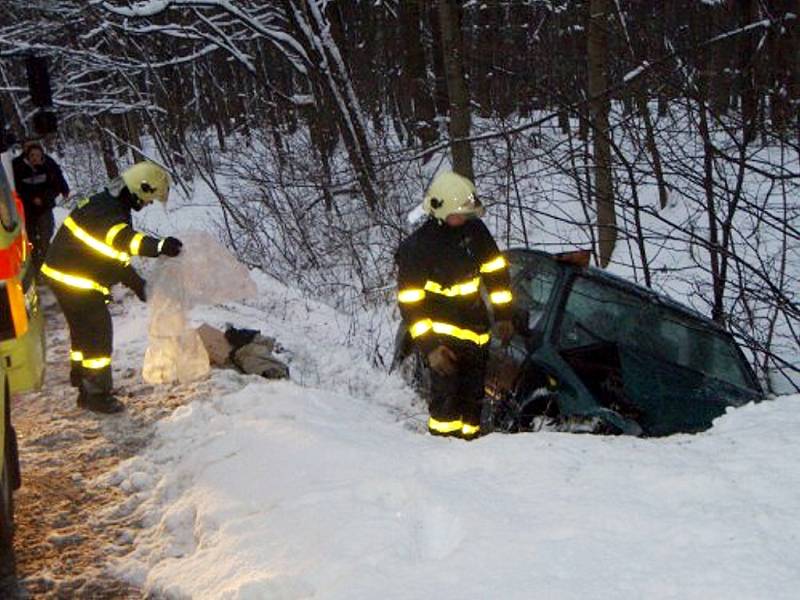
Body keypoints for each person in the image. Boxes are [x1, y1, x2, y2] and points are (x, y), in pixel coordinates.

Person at [41, 161, 183, 414]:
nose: (148, 204)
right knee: (97, 331)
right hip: (74, 277)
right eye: (149, 199)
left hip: (64, 272)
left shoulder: (108, 204)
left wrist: (138, 285)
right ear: (141, 189)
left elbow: (111, 256)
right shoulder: (109, 211)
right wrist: (160, 247)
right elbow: (123, 241)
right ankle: (96, 394)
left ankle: (81, 378)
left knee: (82, 328)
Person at [395, 171, 515, 439]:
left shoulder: (475, 233)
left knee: (473, 404)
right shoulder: (417, 248)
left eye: (466, 214)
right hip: (442, 342)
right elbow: (411, 305)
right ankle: (443, 455)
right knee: (445, 408)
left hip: (475, 332)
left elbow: (496, 274)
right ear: (440, 210)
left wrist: (505, 315)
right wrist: (431, 349)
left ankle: (470, 451)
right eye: (458, 214)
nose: (463, 219)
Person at [12, 141, 70, 276]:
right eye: (32, 155)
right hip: (27, 209)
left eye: (38, 155)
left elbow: (58, 178)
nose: (35, 159)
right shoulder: (18, 166)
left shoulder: (48, 164)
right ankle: (35, 266)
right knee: (31, 239)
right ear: (27, 155)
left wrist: (64, 189)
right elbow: (16, 188)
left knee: (46, 235)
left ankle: (47, 265)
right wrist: (31, 198)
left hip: (45, 206)